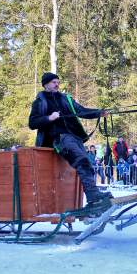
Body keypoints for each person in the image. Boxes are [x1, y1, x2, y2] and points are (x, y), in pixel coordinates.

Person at [28, 72, 112, 207]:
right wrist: (49, 118)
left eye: (57, 82)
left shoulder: (65, 98)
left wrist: (99, 113)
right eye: (54, 82)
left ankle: (93, 194)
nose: (57, 84)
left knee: (87, 164)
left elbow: (81, 111)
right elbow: (32, 123)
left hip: (74, 137)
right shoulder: (40, 101)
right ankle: (93, 195)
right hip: (58, 138)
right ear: (46, 84)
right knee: (82, 160)